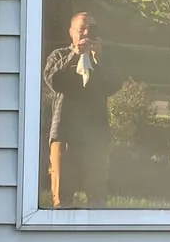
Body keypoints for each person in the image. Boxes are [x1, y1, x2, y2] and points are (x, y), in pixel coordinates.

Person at [42, 11, 118, 207]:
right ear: (71, 32)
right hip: (65, 132)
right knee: (62, 198)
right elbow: (53, 81)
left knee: (97, 196)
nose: (86, 33)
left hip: (95, 134)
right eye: (81, 29)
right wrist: (75, 54)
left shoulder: (101, 59)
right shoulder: (59, 55)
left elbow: (114, 85)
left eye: (90, 29)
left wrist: (99, 59)